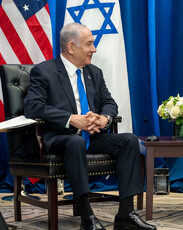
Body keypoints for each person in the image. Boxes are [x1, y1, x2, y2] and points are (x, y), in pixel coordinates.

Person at [24, 23, 156, 230]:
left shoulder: (94, 72)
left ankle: (126, 214)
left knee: (129, 140)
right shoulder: (45, 71)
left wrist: (104, 118)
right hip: (59, 137)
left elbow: (109, 103)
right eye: (89, 44)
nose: (94, 49)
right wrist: (71, 118)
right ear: (71, 47)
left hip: (92, 136)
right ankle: (87, 218)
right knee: (75, 142)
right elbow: (33, 107)